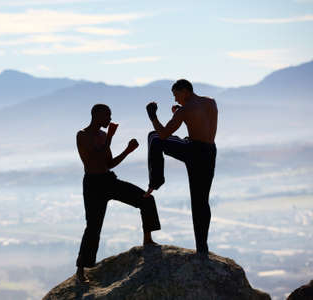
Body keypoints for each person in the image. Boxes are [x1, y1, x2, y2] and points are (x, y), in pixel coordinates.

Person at [75, 104, 161, 283]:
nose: (110, 119)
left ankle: (148, 239)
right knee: (93, 226)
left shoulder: (103, 135)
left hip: (108, 179)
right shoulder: (82, 135)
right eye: (107, 116)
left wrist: (127, 151)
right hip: (93, 184)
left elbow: (109, 163)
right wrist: (111, 138)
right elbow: (92, 158)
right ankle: (81, 270)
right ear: (96, 115)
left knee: (146, 199)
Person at [145, 79, 217, 256]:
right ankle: (202, 248)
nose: (176, 100)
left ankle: (156, 181)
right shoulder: (210, 102)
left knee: (154, 137)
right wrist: (180, 113)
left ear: (185, 90)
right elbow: (200, 121)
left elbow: (163, 133)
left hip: (193, 150)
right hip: (209, 151)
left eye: (176, 95)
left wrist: (152, 115)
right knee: (201, 201)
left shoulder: (185, 110)